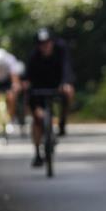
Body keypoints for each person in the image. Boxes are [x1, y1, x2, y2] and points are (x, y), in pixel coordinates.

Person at [24, 28, 75, 167]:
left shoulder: (61, 50)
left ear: (52, 42)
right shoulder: (34, 56)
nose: (45, 47)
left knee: (69, 91)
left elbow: (67, 67)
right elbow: (28, 78)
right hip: (38, 88)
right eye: (41, 44)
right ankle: (37, 154)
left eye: (47, 43)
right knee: (37, 120)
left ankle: (62, 121)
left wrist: (66, 83)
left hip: (58, 84)